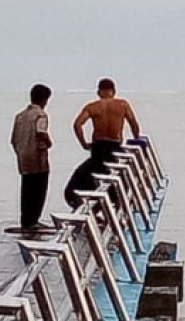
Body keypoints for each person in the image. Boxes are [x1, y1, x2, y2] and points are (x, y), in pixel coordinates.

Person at [63, 77, 141, 208]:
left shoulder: (92, 107)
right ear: (114, 91)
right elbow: (134, 124)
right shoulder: (122, 104)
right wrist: (136, 139)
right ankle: (112, 207)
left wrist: (84, 144)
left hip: (98, 149)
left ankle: (90, 207)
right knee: (115, 178)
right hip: (115, 148)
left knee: (77, 184)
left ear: (98, 92)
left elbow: (77, 125)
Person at [10, 84, 54, 230]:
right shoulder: (40, 114)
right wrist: (48, 143)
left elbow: (13, 139)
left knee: (26, 188)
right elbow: (41, 132)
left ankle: (26, 220)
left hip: (23, 157)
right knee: (38, 189)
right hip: (38, 157)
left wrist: (20, 151)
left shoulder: (20, 116)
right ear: (44, 99)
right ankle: (33, 220)